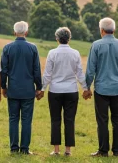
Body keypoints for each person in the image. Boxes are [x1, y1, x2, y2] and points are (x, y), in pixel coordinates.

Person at [38, 27, 91, 156]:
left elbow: (47, 74)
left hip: (55, 90)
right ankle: (68, 150)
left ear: (57, 39)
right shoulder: (75, 53)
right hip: (71, 90)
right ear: (69, 38)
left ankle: (56, 150)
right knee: (70, 120)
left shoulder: (52, 53)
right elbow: (79, 73)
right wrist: (85, 88)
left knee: (55, 120)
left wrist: (42, 89)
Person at [85, 17, 118, 157]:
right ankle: (117, 151)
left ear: (102, 30)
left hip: (101, 89)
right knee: (117, 121)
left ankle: (103, 150)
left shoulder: (96, 45)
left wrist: (87, 87)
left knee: (102, 121)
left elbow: (90, 69)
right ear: (114, 30)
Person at [0, 21, 42, 155]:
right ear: (26, 32)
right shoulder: (33, 48)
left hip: (13, 89)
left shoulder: (7, 48)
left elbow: (3, 70)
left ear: (14, 32)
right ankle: (24, 149)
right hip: (28, 90)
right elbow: (36, 70)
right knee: (26, 120)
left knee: (13, 119)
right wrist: (39, 87)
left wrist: (3, 86)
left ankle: (13, 148)